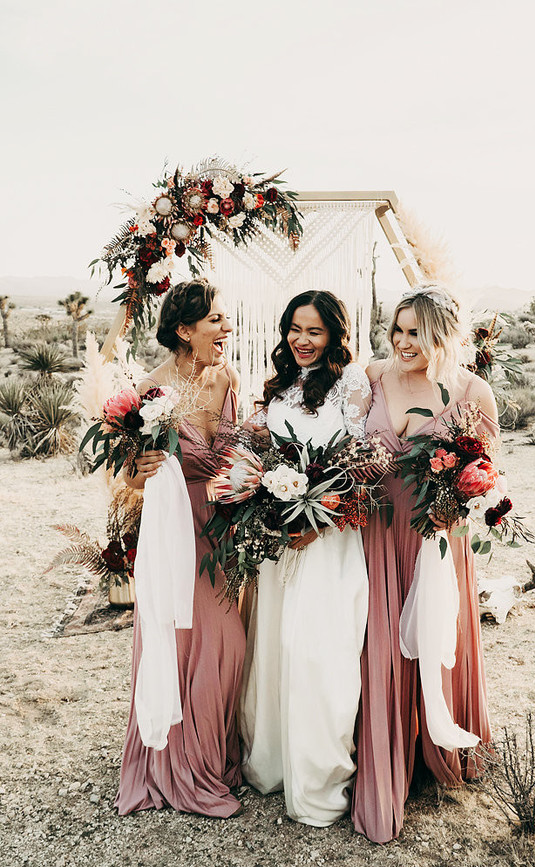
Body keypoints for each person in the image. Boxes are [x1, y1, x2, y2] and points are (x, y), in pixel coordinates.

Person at [352, 284, 499, 843]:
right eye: (398, 329)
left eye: (416, 331)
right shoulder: (373, 377)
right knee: (384, 644)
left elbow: (488, 479)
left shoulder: (471, 391)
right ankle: (391, 756)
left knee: (437, 639)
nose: (403, 341)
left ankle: (436, 748)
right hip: (381, 533)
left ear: (442, 334)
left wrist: (458, 499)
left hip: (437, 540)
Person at [239, 290, 372, 827]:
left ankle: (317, 777)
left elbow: (362, 468)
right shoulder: (280, 385)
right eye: (295, 328)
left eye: (314, 331)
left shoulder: (352, 384)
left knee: (316, 650)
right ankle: (271, 763)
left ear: (335, 335)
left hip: (328, 539)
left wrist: (320, 524)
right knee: (273, 645)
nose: (302, 340)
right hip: (280, 542)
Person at [115, 279, 246, 818]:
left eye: (224, 318)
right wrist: (139, 472)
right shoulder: (150, 391)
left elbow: (237, 453)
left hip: (219, 526)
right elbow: (129, 473)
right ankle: (174, 764)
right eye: (215, 320)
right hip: (173, 530)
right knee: (179, 641)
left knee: (227, 646)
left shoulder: (226, 378)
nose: (226, 327)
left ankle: (209, 756)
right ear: (184, 331)